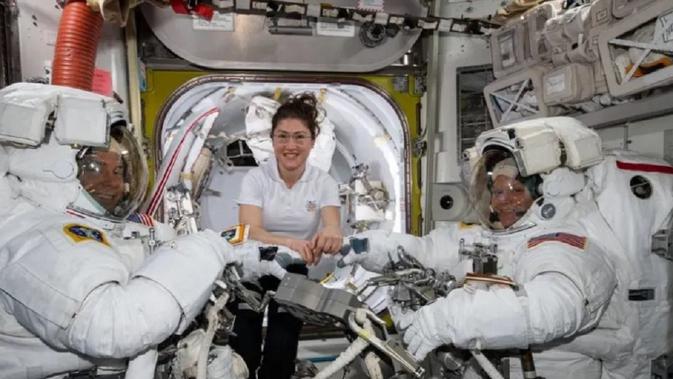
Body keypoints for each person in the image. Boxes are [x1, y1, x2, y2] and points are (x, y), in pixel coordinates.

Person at [0, 83, 284, 379]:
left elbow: (171, 259)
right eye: (95, 168)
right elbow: (115, 327)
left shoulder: (117, 231)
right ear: (51, 168)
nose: (112, 183)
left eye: (118, 169)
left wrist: (251, 254)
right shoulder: (30, 241)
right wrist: (210, 247)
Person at [341, 117, 634, 378]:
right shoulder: (490, 237)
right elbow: (428, 252)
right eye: (496, 192)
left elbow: (553, 307)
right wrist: (370, 247)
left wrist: (449, 319)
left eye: (516, 191)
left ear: (552, 191)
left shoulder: (566, 244)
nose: (500, 202)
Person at [231, 93, 342, 379]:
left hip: (292, 267)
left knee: (283, 340)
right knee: (244, 341)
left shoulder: (323, 182)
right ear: (272, 139)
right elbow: (249, 230)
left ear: (312, 142)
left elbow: (332, 225)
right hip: (253, 262)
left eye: (299, 137)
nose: (290, 146)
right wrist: (291, 242)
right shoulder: (256, 179)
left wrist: (330, 235)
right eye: (283, 137)